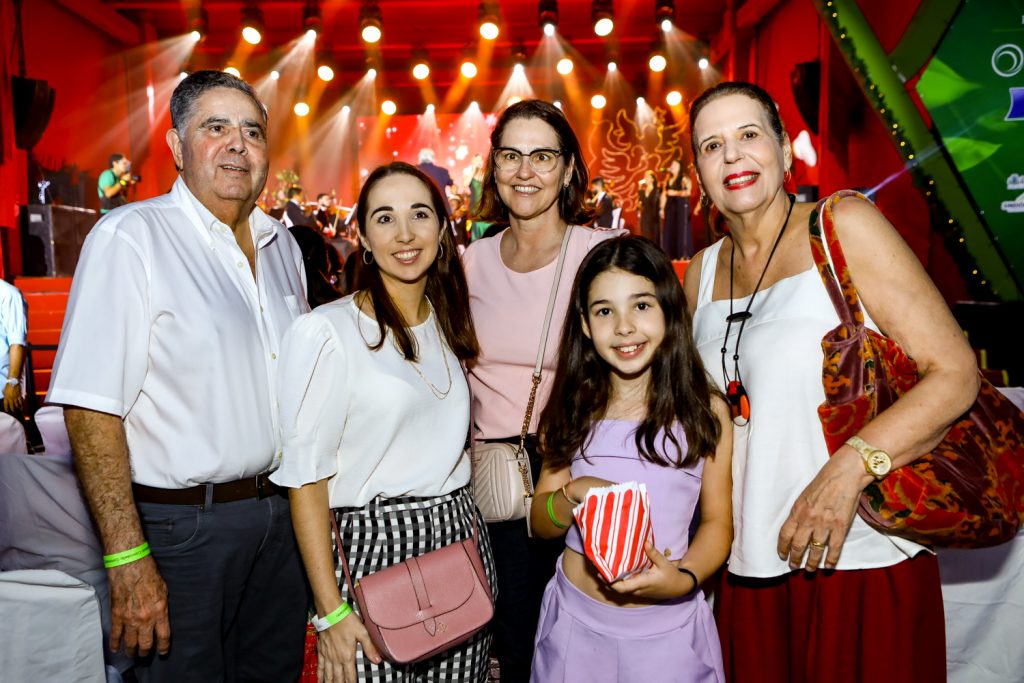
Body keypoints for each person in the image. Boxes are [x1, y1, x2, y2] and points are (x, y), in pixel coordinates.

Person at [684, 81, 978, 683]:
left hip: (859, 553)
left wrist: (844, 474)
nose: (733, 156)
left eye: (748, 136)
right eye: (712, 146)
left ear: (786, 151)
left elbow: (954, 373)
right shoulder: (701, 275)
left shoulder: (842, 224)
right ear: (699, 172)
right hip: (752, 560)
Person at [47, 70, 310, 681]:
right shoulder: (131, 238)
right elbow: (90, 408)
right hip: (183, 532)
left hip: (280, 522)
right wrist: (126, 554)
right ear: (176, 147)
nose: (236, 145)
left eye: (251, 131)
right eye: (215, 128)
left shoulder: (282, 247)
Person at [272, 161, 496, 682]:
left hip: (459, 542)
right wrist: (330, 611)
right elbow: (305, 481)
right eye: (384, 218)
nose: (404, 234)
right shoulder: (327, 332)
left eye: (419, 214)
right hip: (373, 553)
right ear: (363, 238)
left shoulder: (449, 323)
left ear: (443, 230)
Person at [463, 98, 626, 683]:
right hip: (496, 484)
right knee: (513, 643)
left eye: (542, 156)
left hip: (582, 469)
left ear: (568, 169)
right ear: (494, 167)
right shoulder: (469, 262)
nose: (525, 171)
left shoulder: (599, 257)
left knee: (586, 643)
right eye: (511, 155)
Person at [531, 236, 732, 682]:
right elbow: (539, 521)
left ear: (668, 309)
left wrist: (683, 579)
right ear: (584, 324)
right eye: (604, 311)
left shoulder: (705, 409)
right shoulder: (573, 406)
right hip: (575, 627)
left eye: (641, 305)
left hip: (666, 632)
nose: (624, 326)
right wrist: (572, 493)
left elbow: (718, 522)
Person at [0, 279, 26, 416]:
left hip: (3, 390)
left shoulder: (8, 293)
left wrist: (13, 382)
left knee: (10, 434)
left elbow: (17, 342)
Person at [660, 157, 693, 259]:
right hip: (670, 207)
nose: (672, 167)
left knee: (680, 229)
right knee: (669, 229)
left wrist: (675, 193)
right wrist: (661, 208)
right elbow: (664, 194)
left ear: (679, 167)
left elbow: (688, 192)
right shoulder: (668, 179)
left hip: (681, 205)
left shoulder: (684, 178)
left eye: (675, 165)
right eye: (672, 165)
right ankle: (670, 255)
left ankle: (682, 254)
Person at [637, 170, 661, 243]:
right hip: (645, 216)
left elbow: (656, 203)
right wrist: (639, 187)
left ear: (652, 179)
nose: (645, 178)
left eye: (647, 176)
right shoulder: (642, 191)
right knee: (645, 236)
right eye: (645, 176)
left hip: (654, 217)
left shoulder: (657, 190)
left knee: (653, 237)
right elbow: (640, 203)